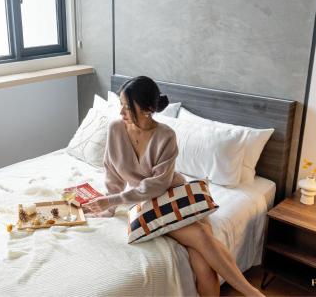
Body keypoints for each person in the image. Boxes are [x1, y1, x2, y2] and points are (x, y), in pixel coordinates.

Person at [82, 76, 265, 297]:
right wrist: (108, 207)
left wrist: (112, 201)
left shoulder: (165, 136)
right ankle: (253, 293)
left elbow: (157, 185)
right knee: (203, 243)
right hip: (146, 202)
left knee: (203, 256)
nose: (121, 112)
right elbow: (112, 172)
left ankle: (251, 293)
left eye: (128, 107)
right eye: (121, 104)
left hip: (176, 194)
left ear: (148, 109)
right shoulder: (116, 129)